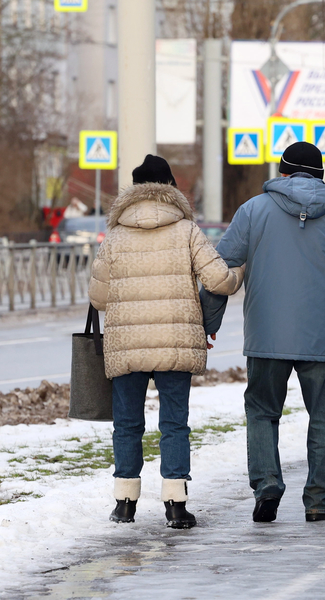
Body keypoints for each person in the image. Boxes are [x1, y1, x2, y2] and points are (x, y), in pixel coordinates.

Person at [200, 142, 325, 524]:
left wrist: (208, 323)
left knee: (262, 411)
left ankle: (267, 487)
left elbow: (220, 270)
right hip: (321, 339)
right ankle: (319, 502)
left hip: (265, 336)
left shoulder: (252, 212)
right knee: (324, 418)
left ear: (283, 172)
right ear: (322, 175)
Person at [89, 155, 244, 529]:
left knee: (127, 424)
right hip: (176, 341)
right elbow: (219, 281)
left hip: (127, 344)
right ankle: (176, 505)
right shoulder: (187, 231)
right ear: (170, 188)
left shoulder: (116, 236)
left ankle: (124, 502)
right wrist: (239, 273)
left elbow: (98, 298)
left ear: (134, 191)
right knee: (174, 423)